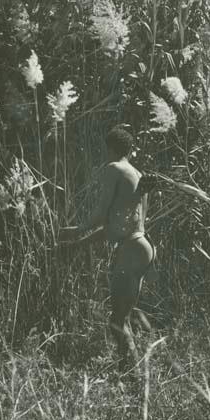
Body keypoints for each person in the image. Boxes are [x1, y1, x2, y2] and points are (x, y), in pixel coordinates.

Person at [59, 125, 154, 376]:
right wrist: (77, 244)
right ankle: (131, 374)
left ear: (109, 149)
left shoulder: (114, 169)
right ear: (130, 149)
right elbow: (117, 227)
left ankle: (132, 377)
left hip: (130, 250)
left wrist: (76, 229)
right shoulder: (137, 174)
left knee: (117, 321)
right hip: (142, 247)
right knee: (123, 318)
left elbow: (101, 216)